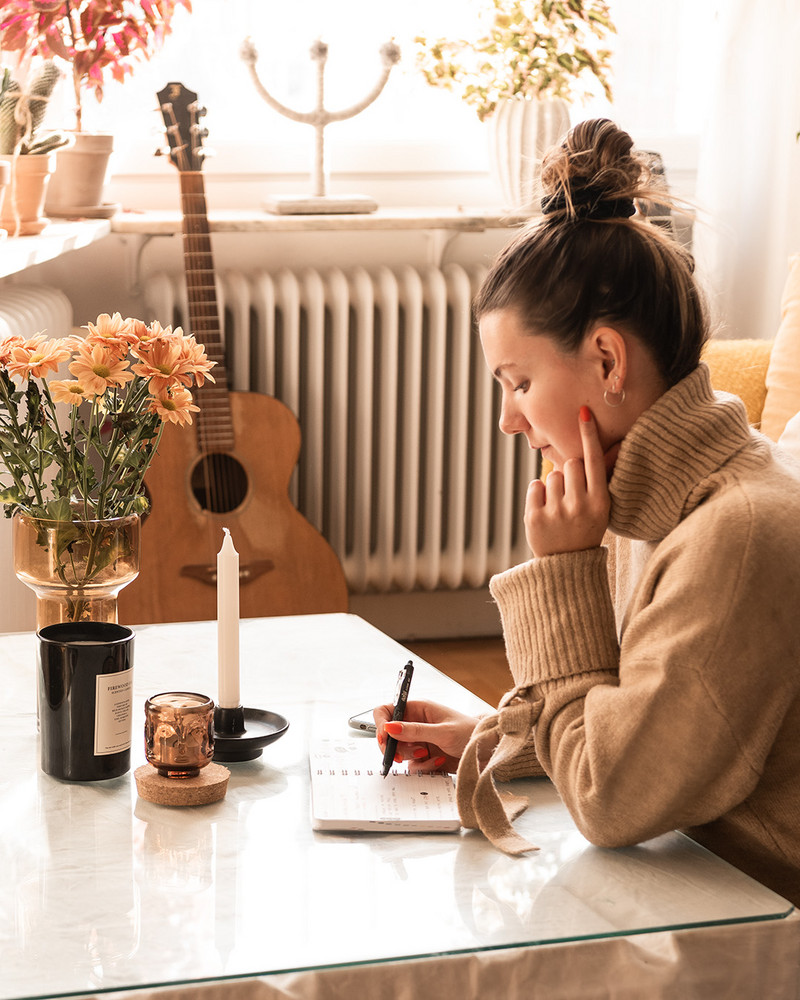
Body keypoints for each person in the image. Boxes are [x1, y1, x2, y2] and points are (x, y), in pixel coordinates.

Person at [374, 118, 800, 904]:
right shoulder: (649, 505)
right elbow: (630, 717)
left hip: (754, 911)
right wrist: (496, 737)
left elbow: (610, 798)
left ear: (607, 360)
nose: (508, 421)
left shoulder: (737, 532)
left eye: (517, 382)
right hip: (688, 872)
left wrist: (564, 570)